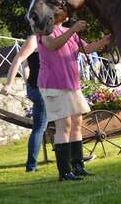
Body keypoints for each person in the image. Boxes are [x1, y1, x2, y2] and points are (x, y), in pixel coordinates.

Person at [37, 19, 111, 181]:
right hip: (53, 84)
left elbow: (86, 49)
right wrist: (73, 30)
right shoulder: (45, 30)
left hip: (72, 84)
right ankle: (64, 172)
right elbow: (52, 45)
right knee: (64, 125)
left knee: (76, 124)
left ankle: (78, 167)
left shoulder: (69, 31)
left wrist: (106, 40)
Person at [1, 35, 47, 172]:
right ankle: (31, 166)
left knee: (58, 124)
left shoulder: (49, 37)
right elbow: (19, 60)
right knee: (40, 128)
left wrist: (28, 84)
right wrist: (9, 84)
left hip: (42, 87)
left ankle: (73, 157)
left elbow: (26, 66)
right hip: (41, 89)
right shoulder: (34, 39)